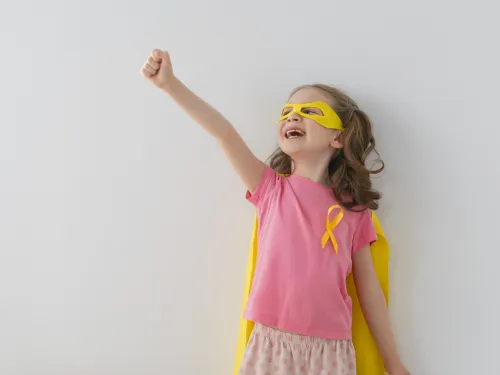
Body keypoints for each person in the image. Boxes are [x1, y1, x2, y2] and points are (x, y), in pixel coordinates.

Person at [141, 49, 410, 375]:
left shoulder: (354, 212)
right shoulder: (271, 189)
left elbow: (370, 294)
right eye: (287, 112)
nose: (293, 117)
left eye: (310, 111)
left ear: (338, 137)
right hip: (272, 346)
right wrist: (170, 85)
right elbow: (224, 134)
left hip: (332, 353)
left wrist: (393, 364)